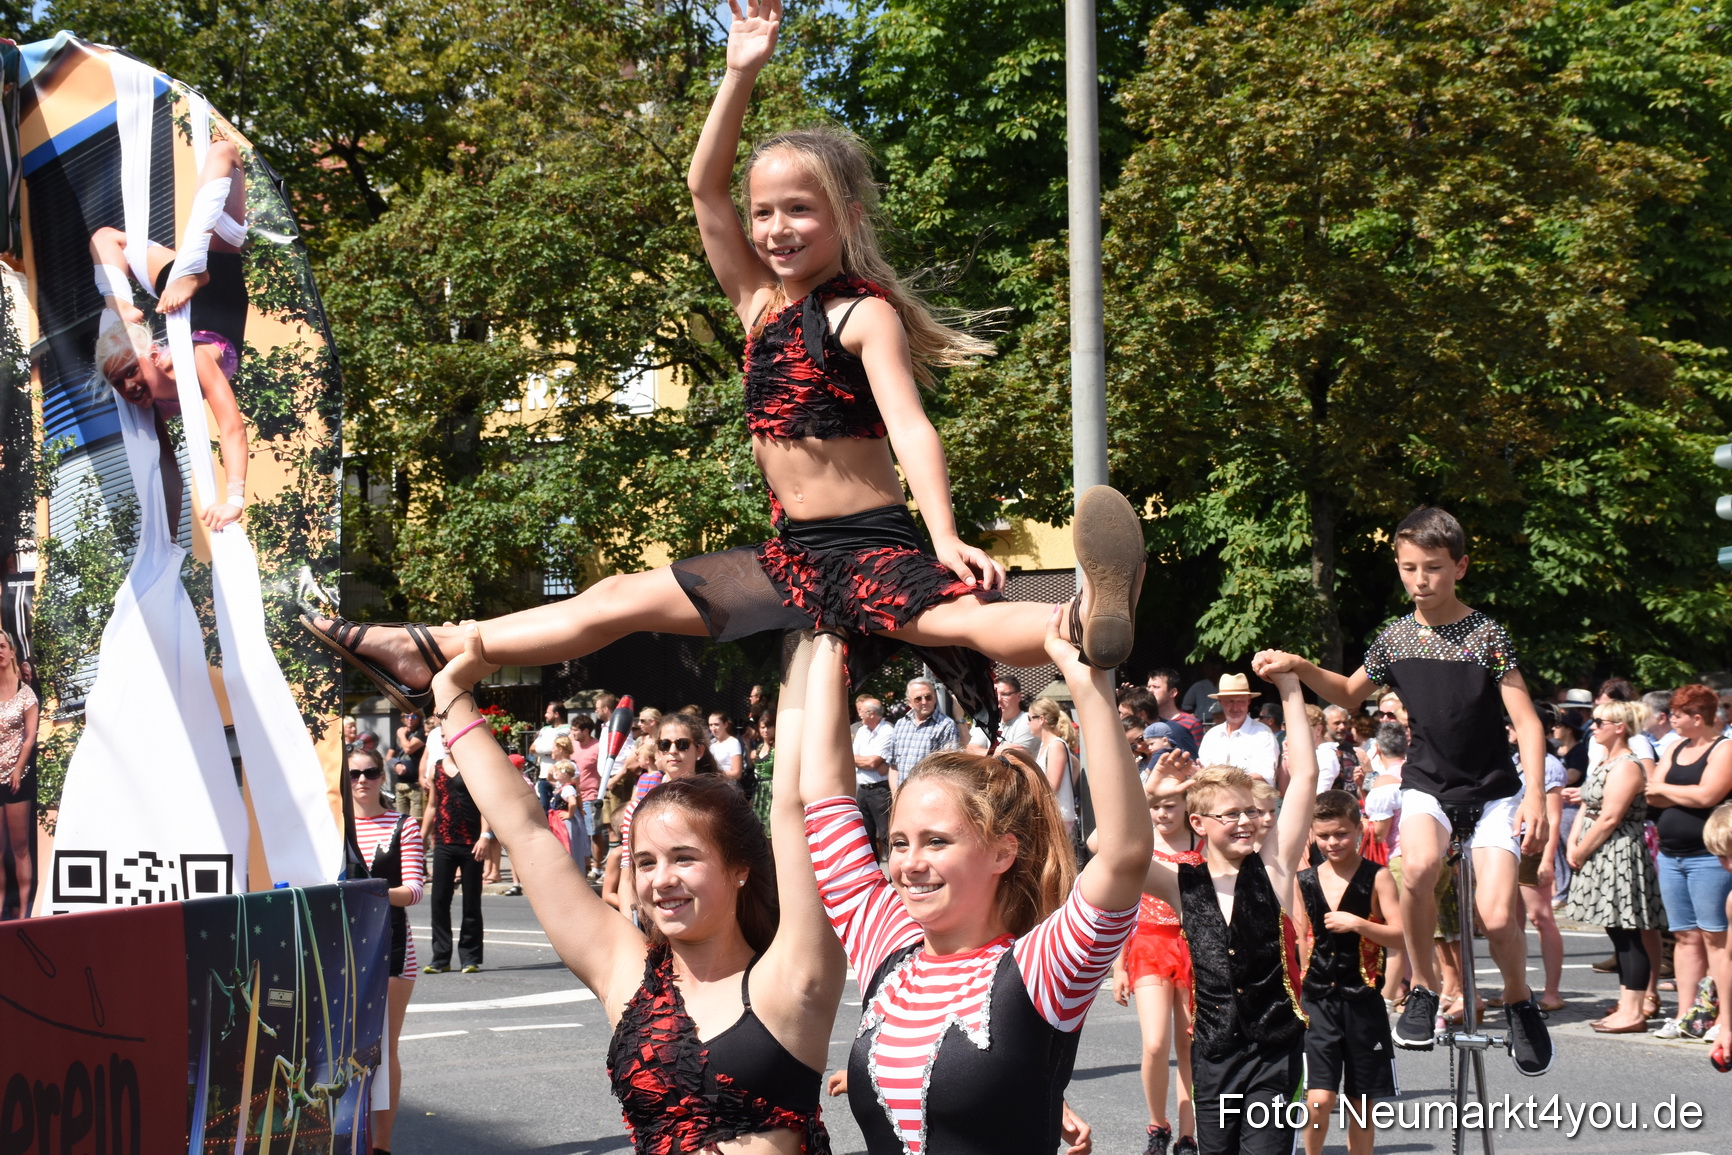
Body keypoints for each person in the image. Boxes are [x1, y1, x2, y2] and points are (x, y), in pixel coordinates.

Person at [300, 0, 1147, 741]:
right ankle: (440, 645)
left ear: (845, 218)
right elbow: (705, 189)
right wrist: (740, 70)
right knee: (614, 598)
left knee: (959, 619)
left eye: (799, 211)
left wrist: (946, 533)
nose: (775, 228)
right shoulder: (758, 305)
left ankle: (1083, 616)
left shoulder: (864, 314)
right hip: (792, 556)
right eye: (764, 212)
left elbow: (912, 427)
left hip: (868, 546)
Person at [426, 624, 844, 1153]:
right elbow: (523, 827)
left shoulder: (794, 977)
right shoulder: (625, 970)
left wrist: (811, 630)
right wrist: (451, 697)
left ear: (740, 868)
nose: (660, 880)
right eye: (645, 862)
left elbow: (798, 802)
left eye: (685, 858)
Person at [801, 604, 1149, 1154]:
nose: (909, 863)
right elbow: (823, 799)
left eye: (937, 841)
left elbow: (1125, 854)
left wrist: (1089, 683)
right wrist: (828, 634)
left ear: (1001, 853)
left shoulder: (1042, 968)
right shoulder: (886, 943)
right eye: (898, 842)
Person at [1253, 506, 1553, 1076]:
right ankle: (1422, 986)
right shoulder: (1394, 637)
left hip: (1491, 789)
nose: (1421, 580)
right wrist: (1298, 664)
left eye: (1434, 568)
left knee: (1493, 914)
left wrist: (1536, 797)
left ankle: (1518, 1000)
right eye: (1410, 567)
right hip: (1429, 784)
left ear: (1460, 567)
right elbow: (1345, 693)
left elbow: (1529, 722)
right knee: (1415, 868)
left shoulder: (1487, 635)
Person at [1141, 665, 1318, 1155]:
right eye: (1231, 814)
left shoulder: (1275, 867)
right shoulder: (1182, 881)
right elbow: (1111, 849)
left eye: (1251, 812)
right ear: (1197, 821)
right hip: (1215, 1055)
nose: (1245, 822)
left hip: (1274, 1053)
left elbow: (1304, 773)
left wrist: (1289, 687)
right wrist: (1149, 794)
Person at [90, 139, 250, 534]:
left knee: (104, 238)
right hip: (223, 282)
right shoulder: (154, 409)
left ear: (154, 354)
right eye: (119, 382)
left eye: (129, 370)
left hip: (190, 281)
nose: (128, 386)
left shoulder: (196, 363)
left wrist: (235, 498)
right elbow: (168, 471)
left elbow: (232, 426)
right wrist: (166, 541)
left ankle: (122, 303)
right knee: (225, 154)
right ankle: (187, 269)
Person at [1295, 790, 1402, 1155]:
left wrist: (1359, 923)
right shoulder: (1305, 880)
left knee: (1362, 1104)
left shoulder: (1379, 877)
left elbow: (1400, 935)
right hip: (1318, 999)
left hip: (1364, 1000)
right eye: (1323, 836)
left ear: (1359, 829)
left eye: (1341, 833)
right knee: (1319, 1099)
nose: (1332, 842)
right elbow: (1297, 940)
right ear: (1312, 833)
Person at [1111, 770, 1200, 1155]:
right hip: (1147, 944)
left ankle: (1187, 1134)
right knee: (1154, 1044)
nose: (1163, 813)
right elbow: (1120, 901)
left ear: (1186, 806)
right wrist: (1118, 966)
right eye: (1155, 806)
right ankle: (1157, 1125)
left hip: (1192, 946)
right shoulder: (1142, 842)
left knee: (1189, 1046)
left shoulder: (1202, 841)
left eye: (1170, 805)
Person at [1562, 699, 1664, 1032]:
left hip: (1619, 853)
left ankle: (1634, 1010)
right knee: (1617, 932)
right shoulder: (1606, 762)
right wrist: (1574, 844)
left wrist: (1581, 849)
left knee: (1628, 933)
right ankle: (1626, 1004)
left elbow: (1609, 817)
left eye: (1599, 722)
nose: (1593, 727)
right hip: (1601, 853)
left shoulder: (1627, 765)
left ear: (1619, 727)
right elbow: (1588, 807)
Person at [348, 745, 424, 1155]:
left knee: (383, 1047)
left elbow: (413, 891)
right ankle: (347, 1136)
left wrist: (364, 892)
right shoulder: (332, 826)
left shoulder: (403, 825)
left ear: (383, 777)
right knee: (341, 1047)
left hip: (392, 948)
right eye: (354, 774)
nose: (362, 781)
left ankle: (382, 1145)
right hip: (340, 949)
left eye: (371, 772)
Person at [1645, 682, 1732, 1038]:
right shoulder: (1677, 746)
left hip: (1709, 857)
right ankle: (1686, 1015)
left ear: (1699, 718)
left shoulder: (1724, 749)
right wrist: (1679, 793)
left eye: (1678, 715)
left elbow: (1709, 794)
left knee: (1716, 937)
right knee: (1684, 937)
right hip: (1672, 855)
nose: (1673, 720)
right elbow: (1653, 790)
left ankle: (1724, 1018)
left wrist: (1669, 791)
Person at [608, 713, 723, 912]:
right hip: (660, 912)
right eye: (665, 744)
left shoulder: (718, 802)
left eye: (682, 744)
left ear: (699, 750)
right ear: (658, 752)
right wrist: (631, 930)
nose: (672, 751)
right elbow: (628, 876)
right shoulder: (637, 809)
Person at [419, 730, 491, 974]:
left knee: (471, 901)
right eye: (442, 739)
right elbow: (431, 806)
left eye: (449, 738)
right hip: (444, 842)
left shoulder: (474, 767)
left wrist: (485, 835)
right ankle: (440, 958)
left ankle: (469, 957)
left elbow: (485, 804)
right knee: (439, 899)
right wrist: (420, 838)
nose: (445, 742)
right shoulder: (435, 769)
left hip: (472, 842)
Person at [0, 630, 38, 921]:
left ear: (11, 651)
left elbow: (30, 736)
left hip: (17, 777)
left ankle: (25, 911)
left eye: (1, 646)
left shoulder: (26, 693)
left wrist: (17, 768)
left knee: (20, 847)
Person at [1194, 674, 1279, 787]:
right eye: (1230, 701)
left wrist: (1219, 778)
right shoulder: (1211, 736)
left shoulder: (1263, 734)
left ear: (1248, 701)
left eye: (1241, 701)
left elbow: (1265, 777)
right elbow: (1202, 773)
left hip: (1252, 803)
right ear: (1220, 702)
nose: (1235, 707)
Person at [889, 677, 958, 787]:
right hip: (902, 796)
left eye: (928, 697)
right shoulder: (900, 724)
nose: (924, 702)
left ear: (934, 698)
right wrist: (895, 794)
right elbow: (893, 766)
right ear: (909, 702)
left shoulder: (945, 725)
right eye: (918, 699)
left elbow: (947, 768)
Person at [850, 695, 895, 859]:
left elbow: (873, 762)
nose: (859, 715)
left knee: (886, 835)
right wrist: (867, 760)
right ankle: (872, 876)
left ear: (871, 714)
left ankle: (893, 876)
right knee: (865, 836)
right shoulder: (861, 731)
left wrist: (867, 761)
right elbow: (852, 757)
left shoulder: (887, 731)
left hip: (880, 791)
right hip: (862, 790)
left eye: (862, 711)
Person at [1028, 696, 1079, 834]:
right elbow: (1075, 764)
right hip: (1052, 817)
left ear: (1041, 719)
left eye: (1030, 718)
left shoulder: (1056, 745)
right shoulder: (1048, 745)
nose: (1028, 723)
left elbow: (1051, 787)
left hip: (1058, 819)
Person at [1146, 668, 1204, 747]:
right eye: (1149, 687)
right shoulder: (1145, 721)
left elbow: (1198, 756)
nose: (1150, 691)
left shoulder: (1192, 723)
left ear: (1172, 692)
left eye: (1156, 687)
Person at [532, 702, 570, 810]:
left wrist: (543, 749)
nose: (545, 715)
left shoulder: (567, 729)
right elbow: (532, 749)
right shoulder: (545, 730)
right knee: (544, 809)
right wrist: (550, 750)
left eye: (548, 713)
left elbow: (558, 747)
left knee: (558, 809)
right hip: (543, 777)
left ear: (556, 714)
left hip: (559, 778)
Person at [997, 675, 1041, 756]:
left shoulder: (1028, 721)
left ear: (1019, 696)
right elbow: (970, 750)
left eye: (1005, 694)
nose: (999, 699)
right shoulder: (986, 722)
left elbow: (1014, 757)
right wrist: (998, 751)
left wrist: (984, 752)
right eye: (995, 694)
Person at [710, 711, 746, 786]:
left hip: (728, 789)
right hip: (713, 788)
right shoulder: (711, 744)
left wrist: (715, 772)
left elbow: (737, 773)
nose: (713, 728)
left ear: (725, 724)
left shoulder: (733, 742)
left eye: (716, 724)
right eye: (710, 725)